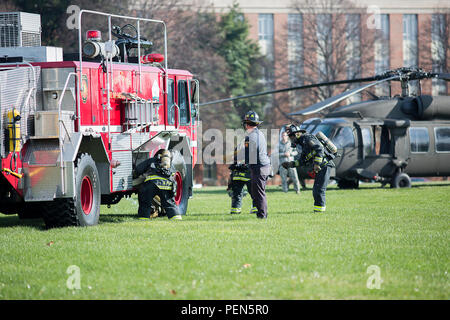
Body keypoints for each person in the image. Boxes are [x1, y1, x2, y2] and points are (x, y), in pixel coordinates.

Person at [282, 124, 336, 213]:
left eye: (291, 136)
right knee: (316, 189)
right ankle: (318, 210)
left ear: (297, 134)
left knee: (319, 189)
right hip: (319, 167)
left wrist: (317, 164)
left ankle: (320, 211)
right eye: (289, 136)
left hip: (324, 165)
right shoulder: (302, 145)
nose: (291, 138)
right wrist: (290, 164)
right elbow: (303, 161)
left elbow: (319, 149)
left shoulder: (307, 139)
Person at [234, 110, 271, 219]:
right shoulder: (259, 134)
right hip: (263, 166)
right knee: (259, 192)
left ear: (247, 124)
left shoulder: (250, 137)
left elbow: (249, 153)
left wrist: (239, 161)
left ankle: (262, 215)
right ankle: (262, 213)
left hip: (259, 168)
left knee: (259, 193)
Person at [133, 149, 182, 220]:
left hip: (151, 185)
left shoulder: (152, 160)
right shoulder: (170, 164)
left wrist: (134, 175)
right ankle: (176, 217)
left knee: (145, 202)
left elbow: (138, 169)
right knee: (170, 204)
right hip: (166, 186)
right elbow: (173, 175)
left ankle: (143, 218)